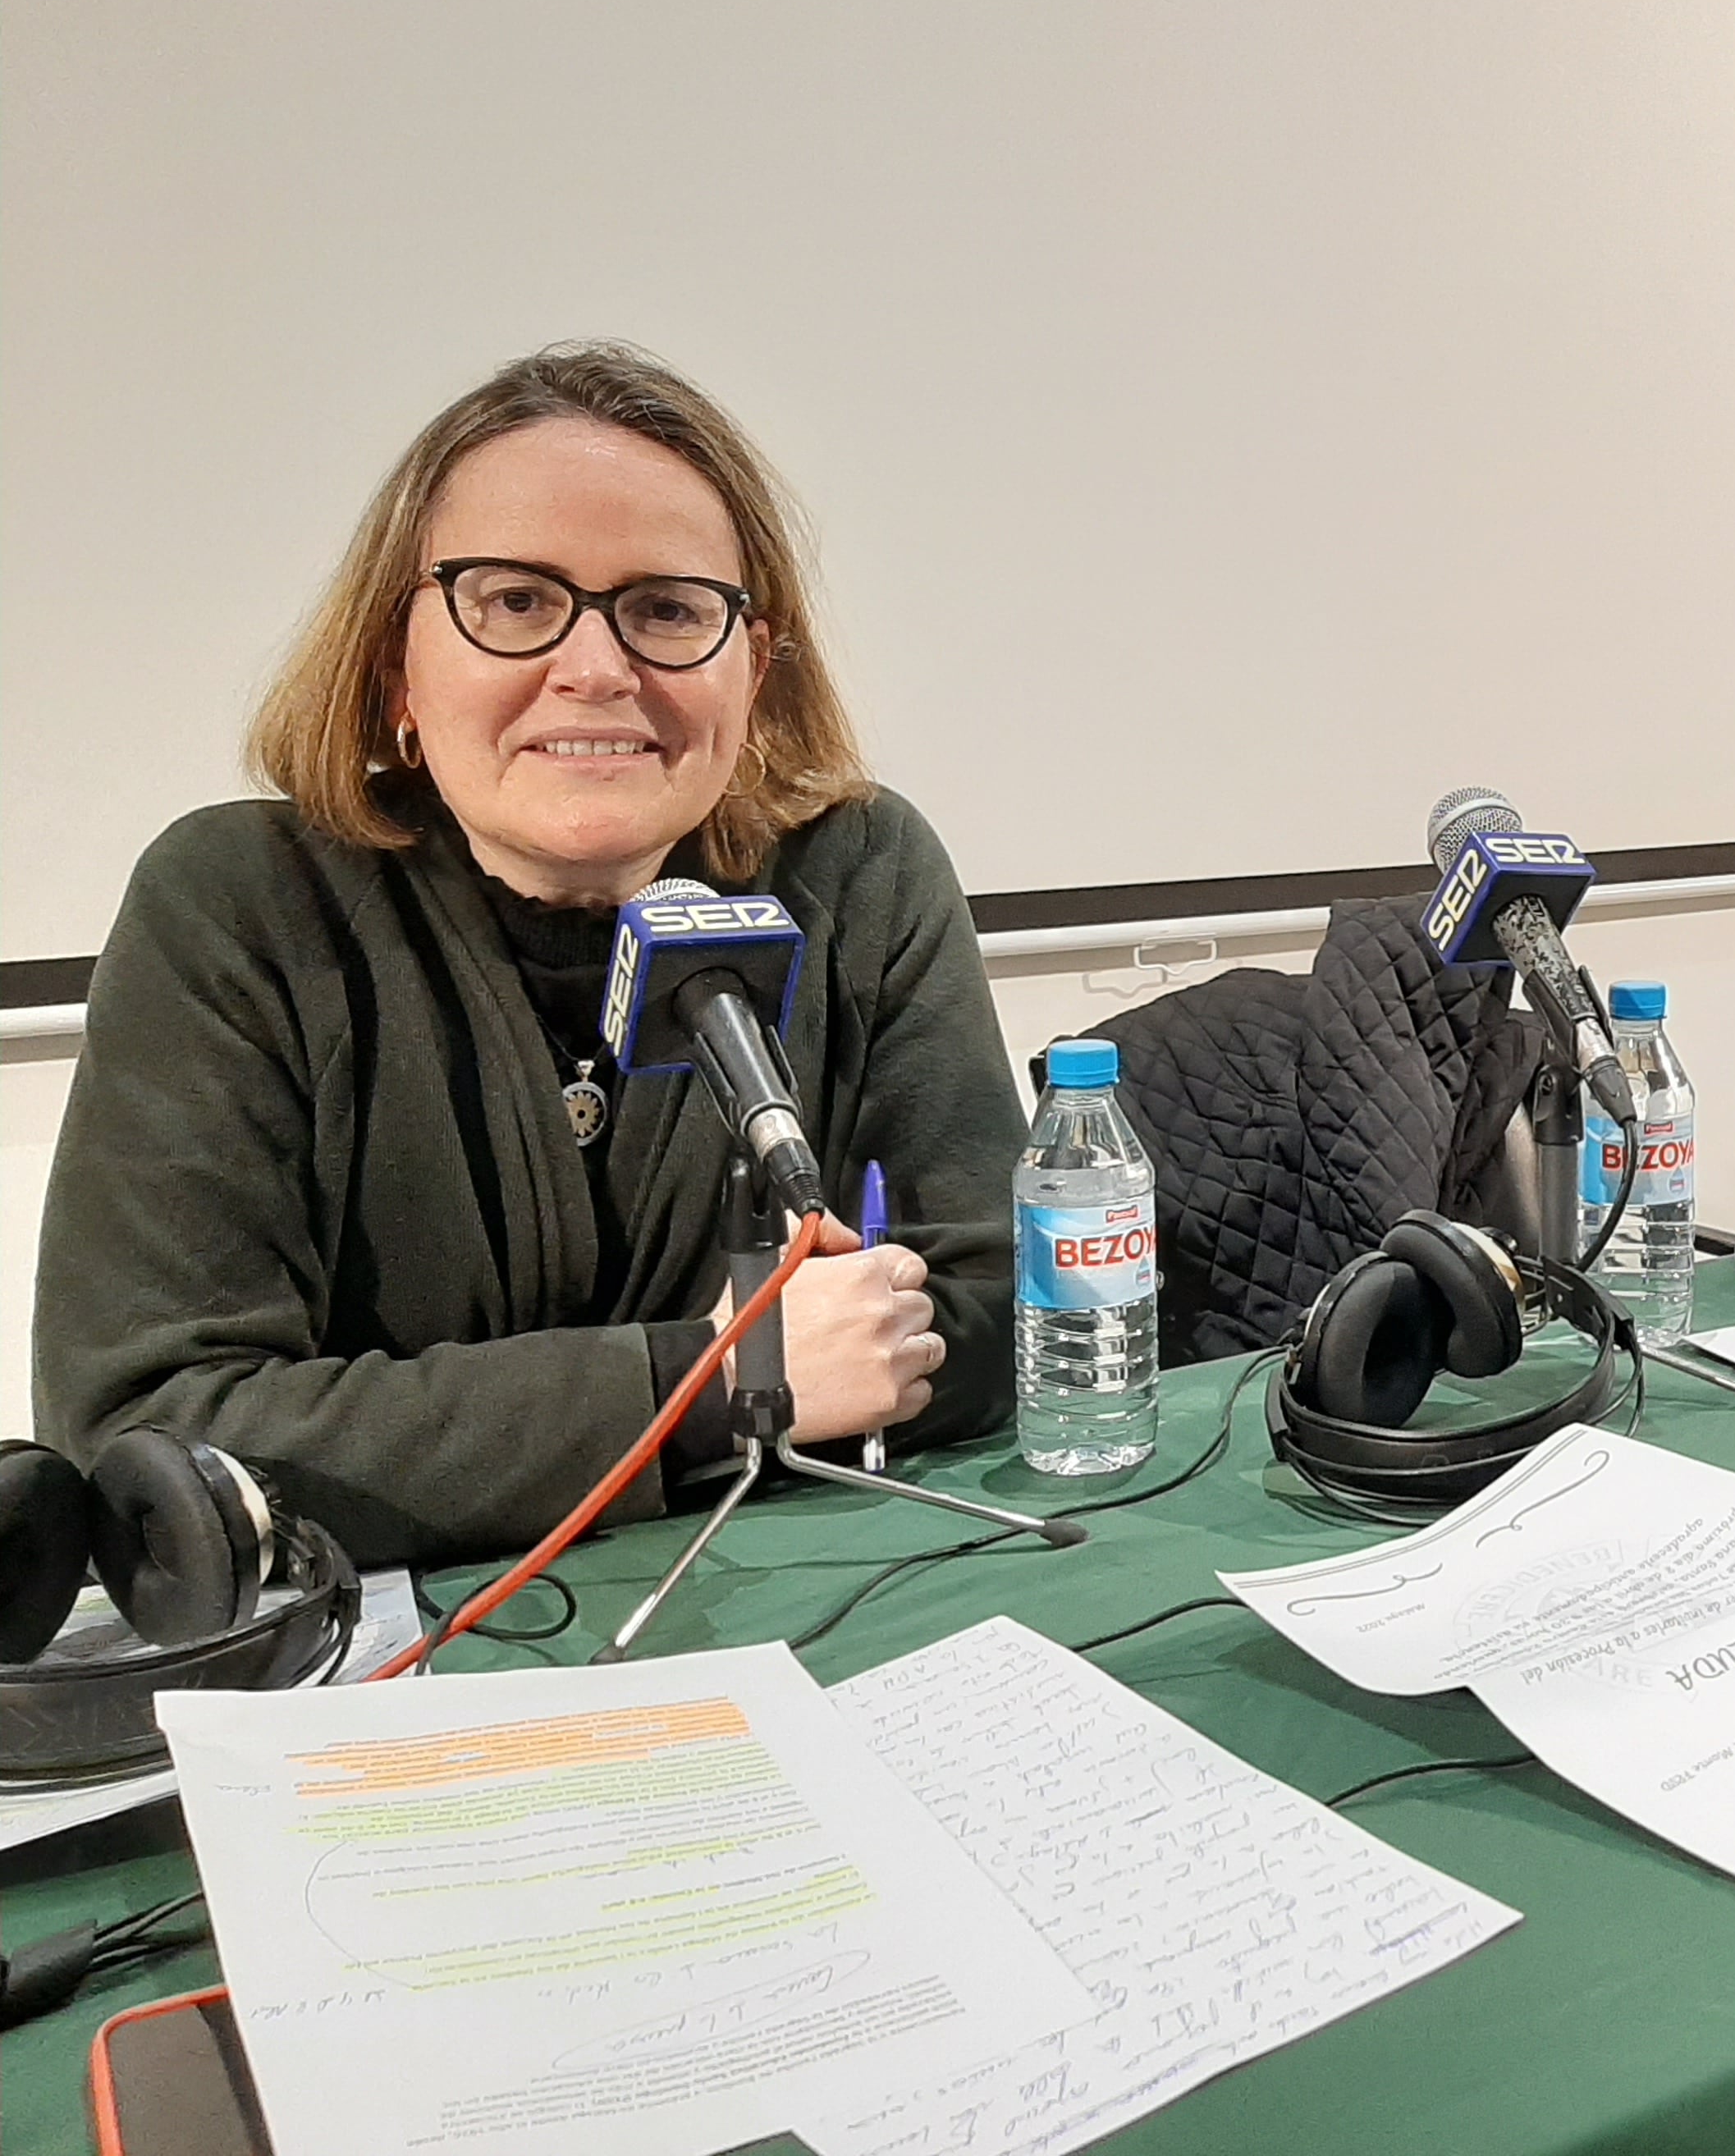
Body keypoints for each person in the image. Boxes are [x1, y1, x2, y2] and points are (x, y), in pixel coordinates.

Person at [33, 342, 1022, 1564]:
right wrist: (707, 1383)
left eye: (666, 608)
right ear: (396, 664)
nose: (597, 670)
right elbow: (149, 1443)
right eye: (515, 601)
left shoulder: (860, 873)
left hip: (814, 1586)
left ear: (752, 673)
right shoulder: (239, 906)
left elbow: (1008, 1309)